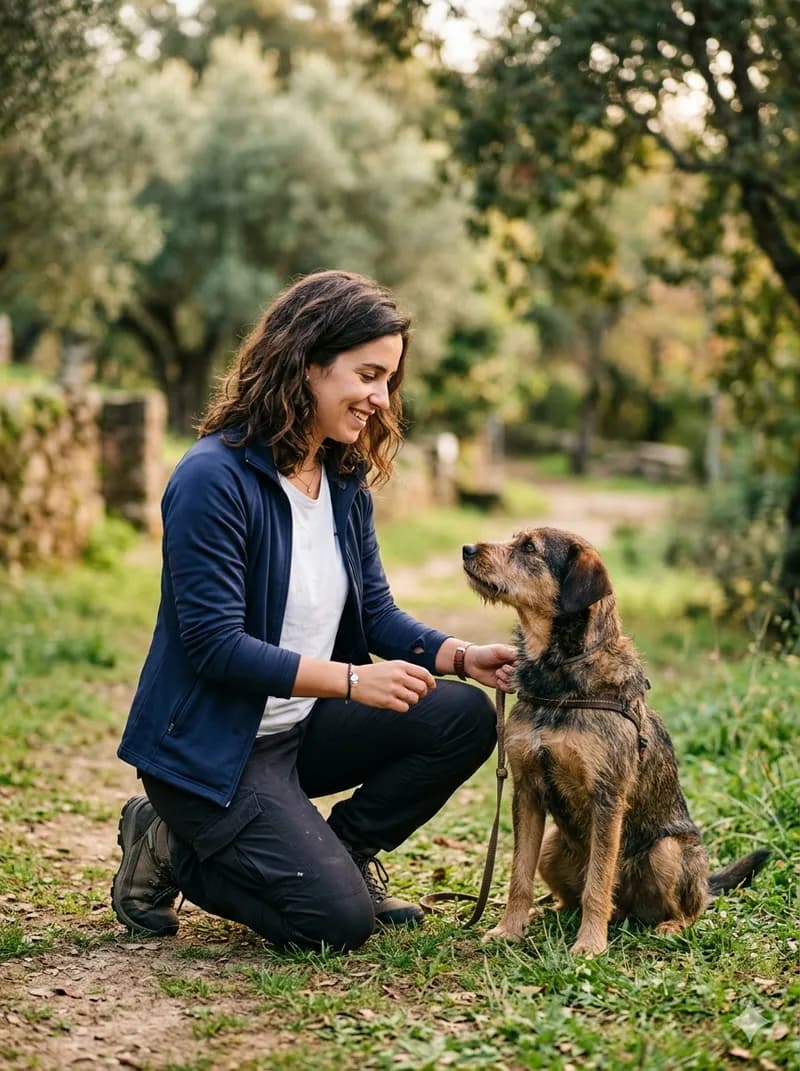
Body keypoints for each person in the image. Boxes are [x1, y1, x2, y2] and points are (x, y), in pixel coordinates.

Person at [111, 270, 516, 953]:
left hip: (301, 733)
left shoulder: (343, 478)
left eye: (388, 379)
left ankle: (345, 850)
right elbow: (215, 646)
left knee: (460, 715)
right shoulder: (212, 478)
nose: (381, 399)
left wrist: (460, 656)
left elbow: (376, 615)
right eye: (367, 374)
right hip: (213, 753)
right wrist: (354, 681)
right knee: (335, 922)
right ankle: (167, 841)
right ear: (308, 362)